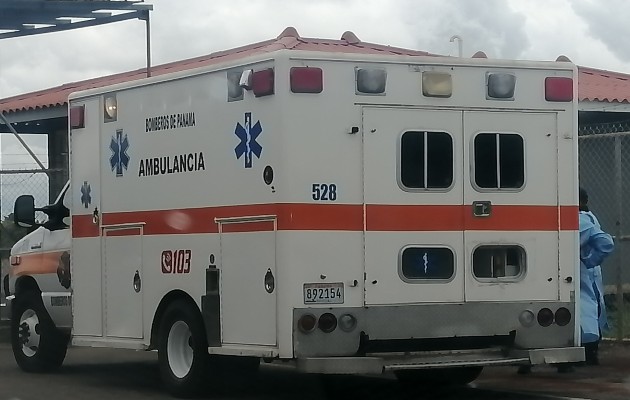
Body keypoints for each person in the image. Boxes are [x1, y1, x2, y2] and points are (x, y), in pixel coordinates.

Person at [578, 187, 614, 365]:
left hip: (583, 271)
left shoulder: (581, 219)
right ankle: (590, 354)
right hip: (588, 271)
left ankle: (587, 354)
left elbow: (605, 243)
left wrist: (588, 260)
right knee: (592, 309)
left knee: (587, 311)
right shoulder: (590, 217)